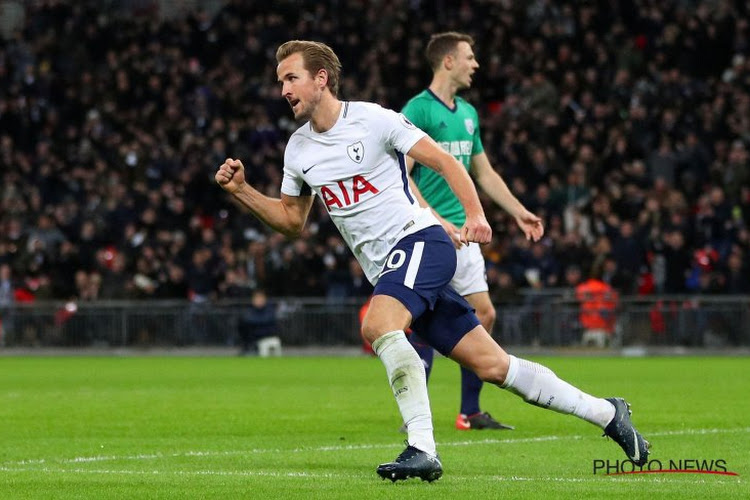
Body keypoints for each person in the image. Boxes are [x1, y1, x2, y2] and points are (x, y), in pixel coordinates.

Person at [215, 40, 649, 483]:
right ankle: (607, 413)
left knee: (377, 325)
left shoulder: (374, 120)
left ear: (321, 79)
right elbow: (291, 221)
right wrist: (243, 192)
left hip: (421, 239)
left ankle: (422, 448)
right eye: (280, 82)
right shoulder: (298, 150)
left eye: (291, 78)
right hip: (393, 269)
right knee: (495, 366)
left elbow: (443, 161)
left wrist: (476, 214)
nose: (284, 90)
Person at [401, 31, 527, 431]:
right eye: (469, 57)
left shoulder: (469, 113)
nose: (476, 64)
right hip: (431, 231)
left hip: (465, 234)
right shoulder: (417, 110)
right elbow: (403, 176)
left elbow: (484, 173)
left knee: (484, 314)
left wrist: (519, 212)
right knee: (421, 317)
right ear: (448, 61)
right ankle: (415, 416)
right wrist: (436, 220)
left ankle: (469, 412)